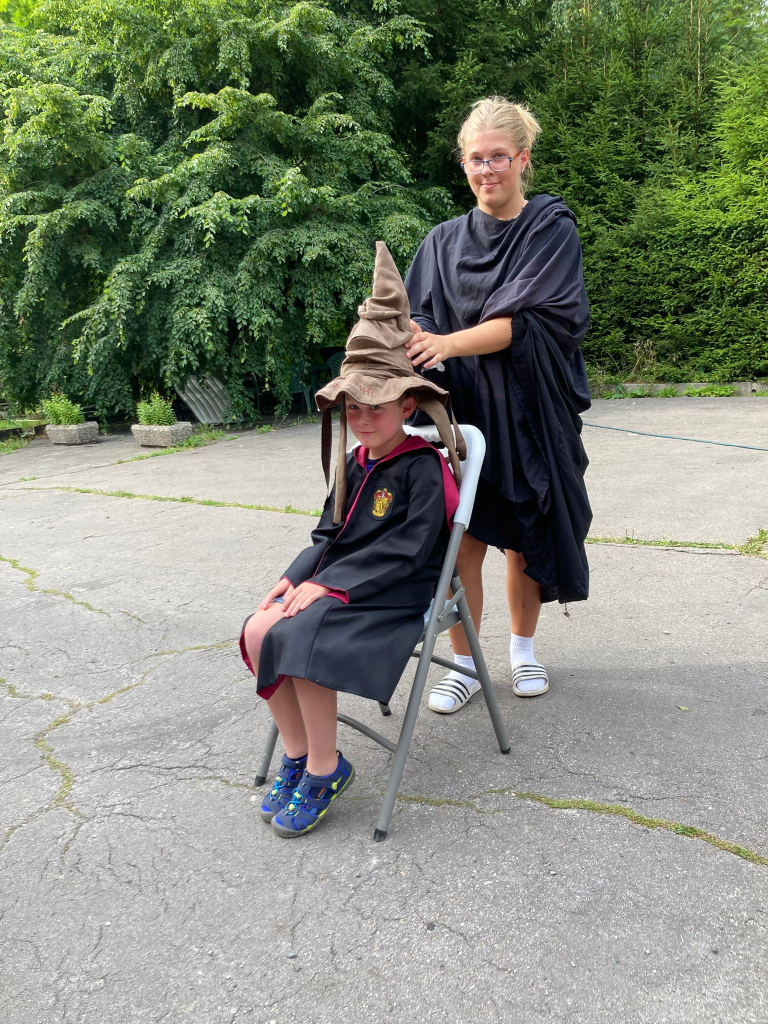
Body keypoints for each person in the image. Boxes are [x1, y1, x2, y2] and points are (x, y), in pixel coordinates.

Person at [240, 242, 462, 838]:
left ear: (407, 403)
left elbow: (414, 549)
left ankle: (325, 767)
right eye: (352, 407)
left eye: (376, 407)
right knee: (259, 628)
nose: (362, 419)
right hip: (338, 583)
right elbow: (327, 533)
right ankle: (297, 754)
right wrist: (294, 577)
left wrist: (330, 588)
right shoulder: (355, 461)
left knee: (299, 631)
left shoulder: (422, 467)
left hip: (397, 590)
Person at [404, 95, 592, 713]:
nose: (486, 170)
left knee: (524, 538)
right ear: (463, 164)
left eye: (498, 157)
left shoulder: (550, 228)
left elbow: (531, 319)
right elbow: (418, 316)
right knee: (461, 543)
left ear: (523, 158)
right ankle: (465, 665)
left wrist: (447, 342)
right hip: (460, 414)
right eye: (475, 159)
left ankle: (522, 651)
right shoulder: (441, 242)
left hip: (529, 410)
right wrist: (411, 336)